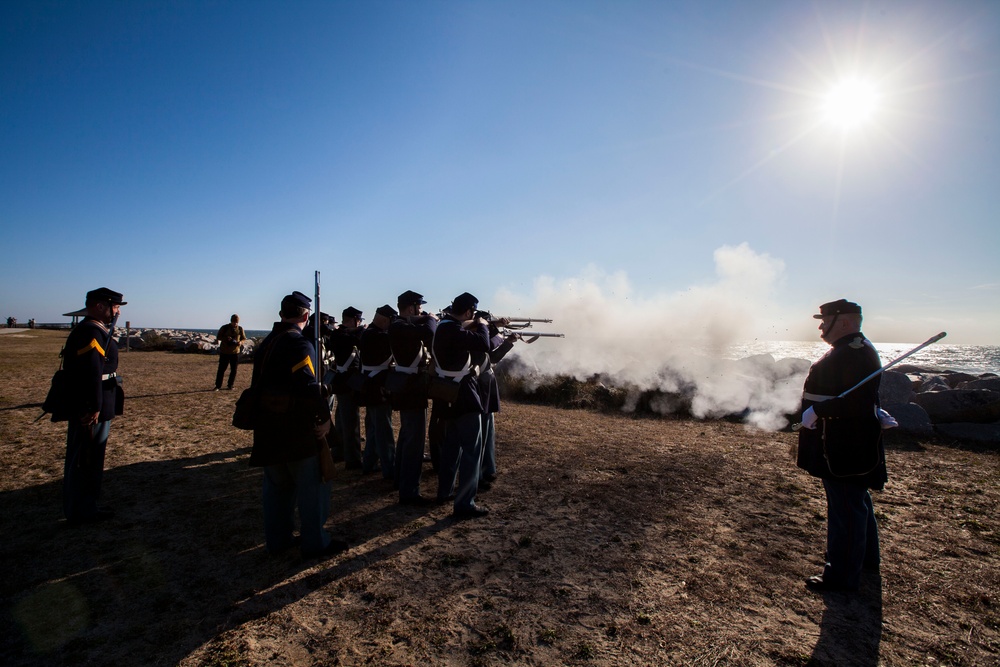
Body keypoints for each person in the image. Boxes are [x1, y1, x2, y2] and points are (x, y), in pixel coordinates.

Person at [797, 298, 887, 593]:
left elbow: (857, 402)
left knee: (846, 507)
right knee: (855, 501)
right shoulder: (853, 350)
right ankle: (865, 561)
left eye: (826, 321)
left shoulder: (853, 354)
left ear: (844, 322)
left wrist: (819, 412)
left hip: (842, 446)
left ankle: (841, 576)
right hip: (842, 443)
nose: (821, 326)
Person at [248, 291, 346, 559]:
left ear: (282, 313)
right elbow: (308, 387)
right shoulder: (299, 344)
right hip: (295, 429)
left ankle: (277, 541)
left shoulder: (268, 342)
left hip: (268, 426)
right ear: (306, 315)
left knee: (277, 489)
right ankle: (316, 543)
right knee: (313, 488)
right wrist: (325, 419)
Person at [62, 287, 126, 525]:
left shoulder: (93, 330)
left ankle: (85, 505)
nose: (117, 311)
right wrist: (94, 406)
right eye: (115, 306)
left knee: (88, 456)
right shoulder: (91, 332)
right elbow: (91, 372)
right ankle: (82, 510)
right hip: (90, 406)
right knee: (86, 458)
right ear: (100, 306)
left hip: (94, 402)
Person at [432, 292, 492, 519]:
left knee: (451, 446)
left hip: (446, 392)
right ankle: (465, 503)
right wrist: (484, 325)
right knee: (471, 451)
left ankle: (444, 491)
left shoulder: (442, 326)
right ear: (468, 312)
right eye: (473, 313)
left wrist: (475, 324)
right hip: (464, 395)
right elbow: (484, 344)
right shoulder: (453, 330)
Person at [388, 290, 438, 505]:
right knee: (414, 442)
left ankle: (399, 480)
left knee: (408, 437)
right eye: (419, 307)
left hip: (410, 386)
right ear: (411, 308)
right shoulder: (399, 326)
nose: (421, 310)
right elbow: (428, 331)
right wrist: (431, 318)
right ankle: (409, 491)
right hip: (411, 388)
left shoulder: (401, 324)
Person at [358, 304, 397, 480]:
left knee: (374, 428)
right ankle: (389, 469)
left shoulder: (368, 333)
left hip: (370, 384)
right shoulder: (378, 336)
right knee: (383, 431)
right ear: (384, 319)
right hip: (377, 386)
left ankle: (369, 463)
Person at [329, 307, 365, 469]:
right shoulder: (340, 334)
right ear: (353, 320)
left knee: (343, 419)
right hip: (347, 381)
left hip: (345, 380)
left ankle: (340, 451)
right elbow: (357, 340)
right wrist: (360, 331)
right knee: (351, 422)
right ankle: (353, 458)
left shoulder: (341, 333)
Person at [215, 314, 247, 391]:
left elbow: (244, 338)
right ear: (231, 321)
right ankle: (218, 386)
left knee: (234, 370)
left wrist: (240, 343)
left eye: (236, 322)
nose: (235, 324)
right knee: (222, 369)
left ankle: (230, 385)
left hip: (235, 352)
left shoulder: (240, 329)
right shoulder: (225, 328)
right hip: (225, 352)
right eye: (234, 322)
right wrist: (227, 339)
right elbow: (218, 337)